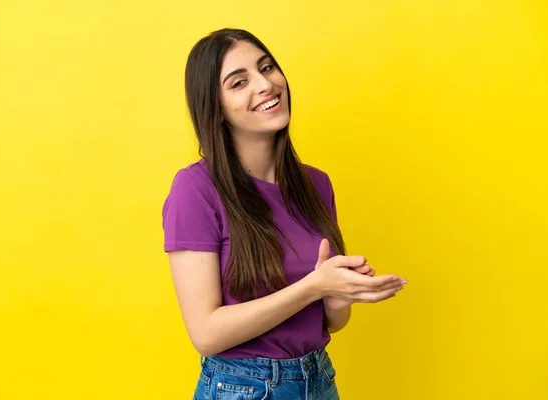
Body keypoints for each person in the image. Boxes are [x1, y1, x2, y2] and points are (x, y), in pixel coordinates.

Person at [162, 28, 408, 400]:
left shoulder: (316, 185)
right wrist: (313, 287)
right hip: (241, 387)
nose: (265, 84)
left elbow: (331, 322)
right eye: (239, 82)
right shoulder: (195, 189)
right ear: (216, 109)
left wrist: (338, 297)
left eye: (267, 68)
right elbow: (206, 334)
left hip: (319, 378)